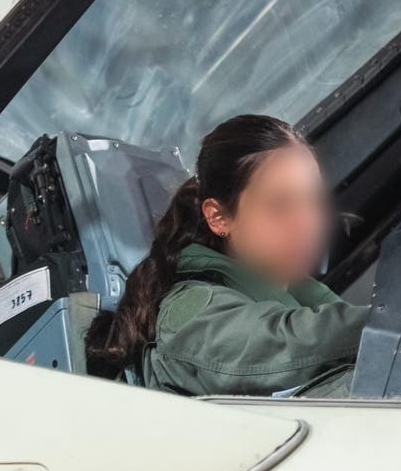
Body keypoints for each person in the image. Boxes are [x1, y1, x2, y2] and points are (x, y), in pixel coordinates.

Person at [85, 114, 369, 397]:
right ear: (219, 217)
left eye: (313, 201)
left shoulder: (299, 297)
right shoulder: (191, 314)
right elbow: (282, 344)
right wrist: (389, 325)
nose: (307, 224)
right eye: (280, 206)